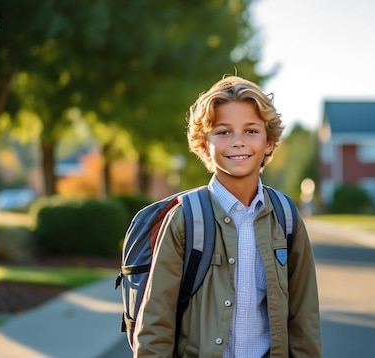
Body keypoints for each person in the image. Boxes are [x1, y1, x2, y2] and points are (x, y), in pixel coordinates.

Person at [133, 76, 322, 357]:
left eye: (250, 131)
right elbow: (155, 325)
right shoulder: (185, 219)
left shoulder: (286, 217)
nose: (238, 142)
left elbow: (304, 319)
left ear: (268, 142)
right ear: (203, 144)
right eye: (223, 132)